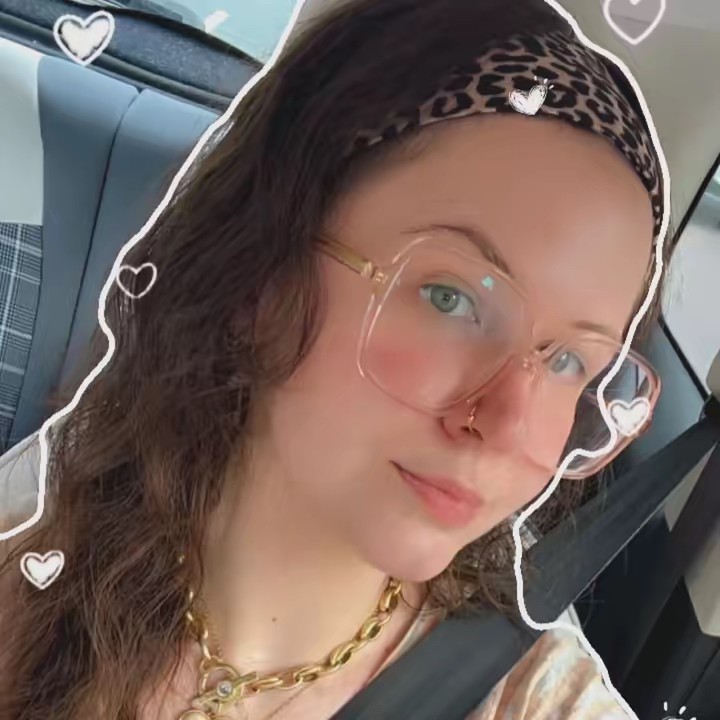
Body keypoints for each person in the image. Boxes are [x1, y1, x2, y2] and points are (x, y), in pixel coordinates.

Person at [0, 0, 670, 717]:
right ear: (262, 269)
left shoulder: (535, 698)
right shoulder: (39, 533)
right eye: (450, 299)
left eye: (570, 363)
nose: (508, 427)